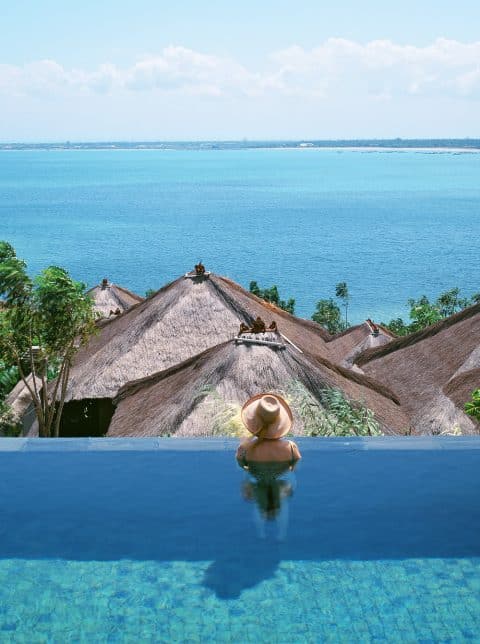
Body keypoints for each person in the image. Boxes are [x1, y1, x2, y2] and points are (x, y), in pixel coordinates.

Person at [236, 393, 301, 539]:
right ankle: (282, 535)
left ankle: (261, 535)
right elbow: (296, 463)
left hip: (258, 482)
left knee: (259, 507)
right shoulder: (290, 447)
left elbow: (241, 464)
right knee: (282, 507)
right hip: (280, 483)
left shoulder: (245, 448)